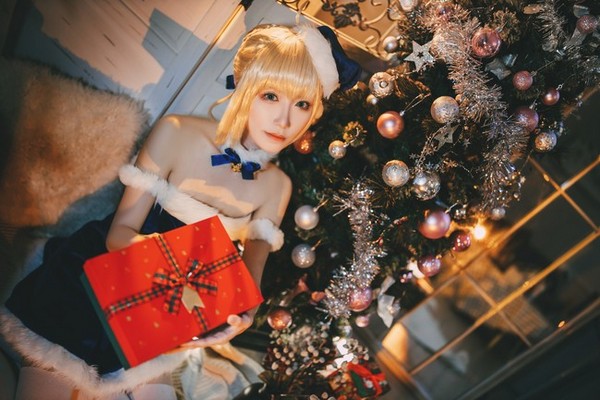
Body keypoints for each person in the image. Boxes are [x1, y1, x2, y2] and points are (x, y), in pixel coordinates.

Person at [0, 24, 360, 398]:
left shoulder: (277, 186)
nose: (285, 121)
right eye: (271, 96)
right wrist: (172, 264)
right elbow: (119, 233)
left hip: (170, 308)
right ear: (244, 85)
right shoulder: (177, 132)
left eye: (302, 104)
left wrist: (238, 320)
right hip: (105, 270)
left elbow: (249, 284)